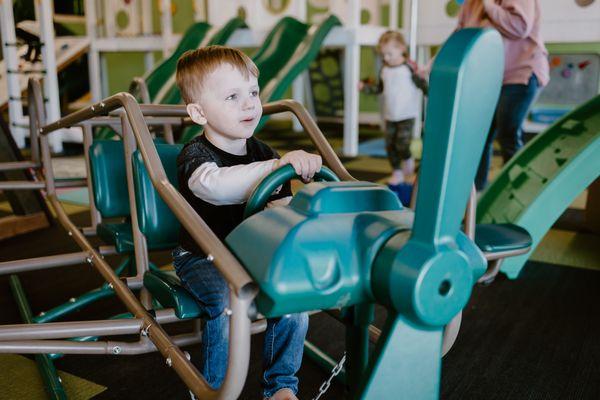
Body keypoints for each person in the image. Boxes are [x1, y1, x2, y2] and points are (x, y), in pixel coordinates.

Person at [173, 45, 322, 400]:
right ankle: (213, 390)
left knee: (293, 299)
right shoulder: (196, 156)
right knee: (228, 300)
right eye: (232, 96)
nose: (249, 104)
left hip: (252, 254)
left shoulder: (263, 152)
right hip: (202, 256)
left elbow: (279, 207)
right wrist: (275, 168)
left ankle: (281, 386)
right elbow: (215, 187)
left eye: (253, 93)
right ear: (198, 112)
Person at [456, 0, 549, 190]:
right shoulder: (469, 5)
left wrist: (488, 3)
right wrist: (428, 67)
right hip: (490, 77)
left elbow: (519, 27)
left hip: (520, 73)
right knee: (479, 137)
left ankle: (515, 191)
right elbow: (457, 38)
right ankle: (476, 192)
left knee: (507, 135)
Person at [359, 30, 428, 187]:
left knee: (402, 144)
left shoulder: (409, 67)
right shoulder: (384, 69)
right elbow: (379, 88)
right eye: (384, 55)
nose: (386, 58)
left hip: (407, 114)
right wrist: (365, 87)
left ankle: (408, 159)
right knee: (390, 145)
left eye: (389, 54)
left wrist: (431, 93)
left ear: (401, 48)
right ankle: (397, 172)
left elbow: (422, 84)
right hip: (390, 115)